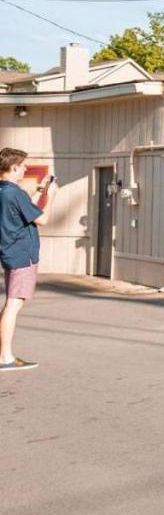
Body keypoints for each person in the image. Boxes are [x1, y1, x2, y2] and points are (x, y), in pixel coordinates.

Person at [0, 147, 58, 372]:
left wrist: (40, 192)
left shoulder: (5, 191)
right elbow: (42, 219)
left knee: (11, 303)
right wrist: (51, 197)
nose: (25, 169)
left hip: (10, 251)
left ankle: (3, 354)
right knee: (13, 304)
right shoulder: (15, 193)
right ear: (13, 167)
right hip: (22, 254)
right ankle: (5, 357)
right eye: (23, 166)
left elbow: (25, 212)